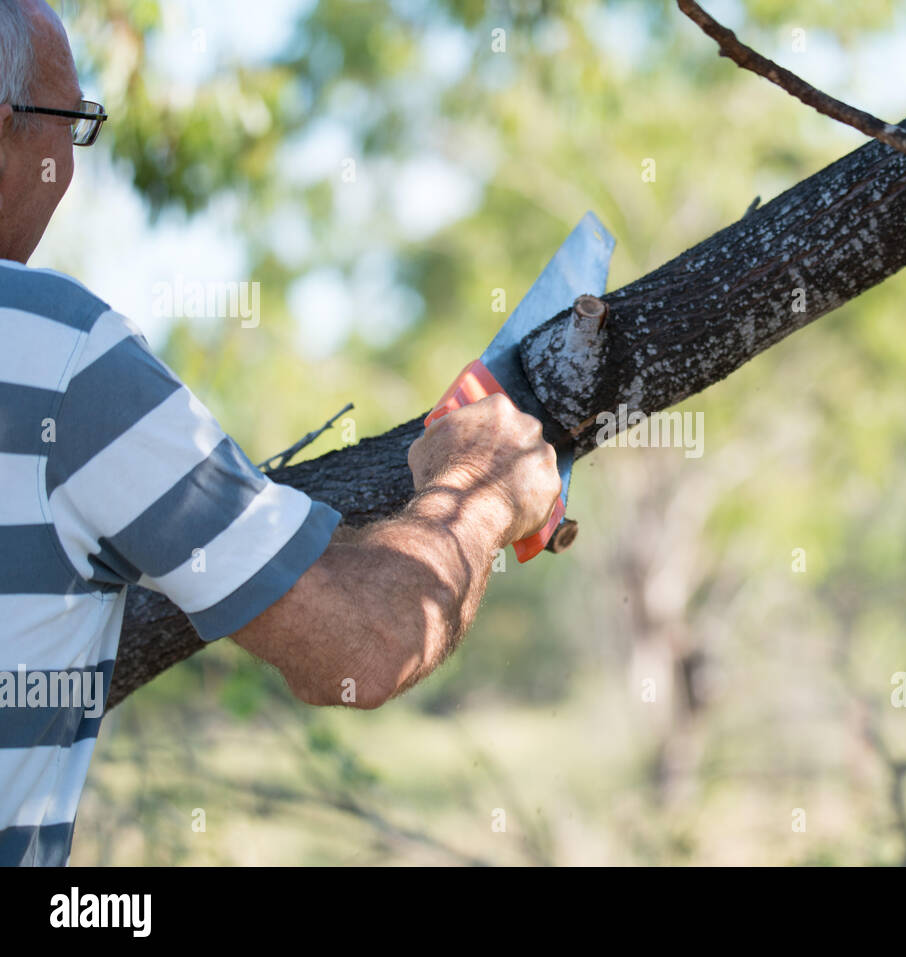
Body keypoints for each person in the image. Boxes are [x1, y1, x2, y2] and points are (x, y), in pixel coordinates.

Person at [0, 0, 561, 865]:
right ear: (8, 127)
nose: (68, 166)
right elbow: (366, 643)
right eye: (69, 124)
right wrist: (480, 490)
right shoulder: (60, 353)